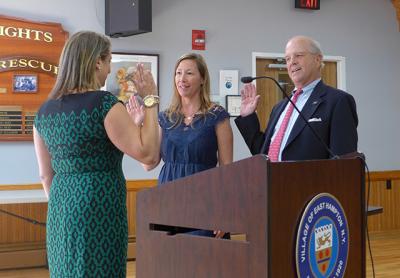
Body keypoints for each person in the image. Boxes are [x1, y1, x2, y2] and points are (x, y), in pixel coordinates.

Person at [33, 31, 159, 277]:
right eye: (109, 61)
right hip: (98, 205)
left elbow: (45, 175)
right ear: (97, 62)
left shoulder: (44, 112)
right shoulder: (103, 104)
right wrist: (150, 99)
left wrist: (67, 205)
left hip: (60, 208)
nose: (110, 69)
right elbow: (149, 155)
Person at [141, 53, 233, 238]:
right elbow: (148, 164)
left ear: (202, 79)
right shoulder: (165, 117)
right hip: (168, 199)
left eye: (189, 73)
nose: (182, 79)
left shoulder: (217, 115)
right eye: (178, 73)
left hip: (204, 200)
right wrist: (138, 126)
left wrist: (224, 212)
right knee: (171, 261)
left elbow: (227, 168)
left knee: (203, 260)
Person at [235, 35, 358, 161]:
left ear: (317, 59)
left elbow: (343, 162)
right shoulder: (279, 108)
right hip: (273, 180)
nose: (292, 62)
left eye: (298, 55)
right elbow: (263, 153)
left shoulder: (338, 101)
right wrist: (248, 116)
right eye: (287, 59)